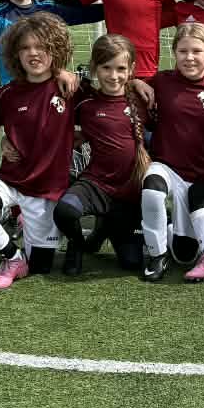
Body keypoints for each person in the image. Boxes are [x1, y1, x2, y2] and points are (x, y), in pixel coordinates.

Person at [0, 13, 78, 290]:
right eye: (25, 48)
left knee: (42, 267)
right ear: (16, 54)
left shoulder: (70, 89)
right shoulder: (7, 94)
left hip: (47, 189)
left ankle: (25, 222)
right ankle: (13, 258)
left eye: (41, 47)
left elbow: (109, 101)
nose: (33, 53)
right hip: (11, 178)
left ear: (55, 50)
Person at [136, 22, 204, 282]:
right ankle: (156, 255)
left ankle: (170, 229)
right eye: (183, 51)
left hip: (195, 182)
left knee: (185, 254)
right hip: (165, 166)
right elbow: (129, 94)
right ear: (174, 53)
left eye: (197, 51)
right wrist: (135, 83)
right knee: (152, 187)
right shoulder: (161, 81)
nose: (189, 57)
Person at [55, 34, 149, 276]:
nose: (113, 75)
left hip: (131, 194)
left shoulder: (144, 99)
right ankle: (76, 244)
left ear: (131, 69)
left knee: (131, 262)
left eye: (121, 69)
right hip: (97, 185)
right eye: (106, 68)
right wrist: (61, 72)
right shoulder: (84, 100)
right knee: (65, 211)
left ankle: (105, 227)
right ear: (95, 67)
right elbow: (44, 88)